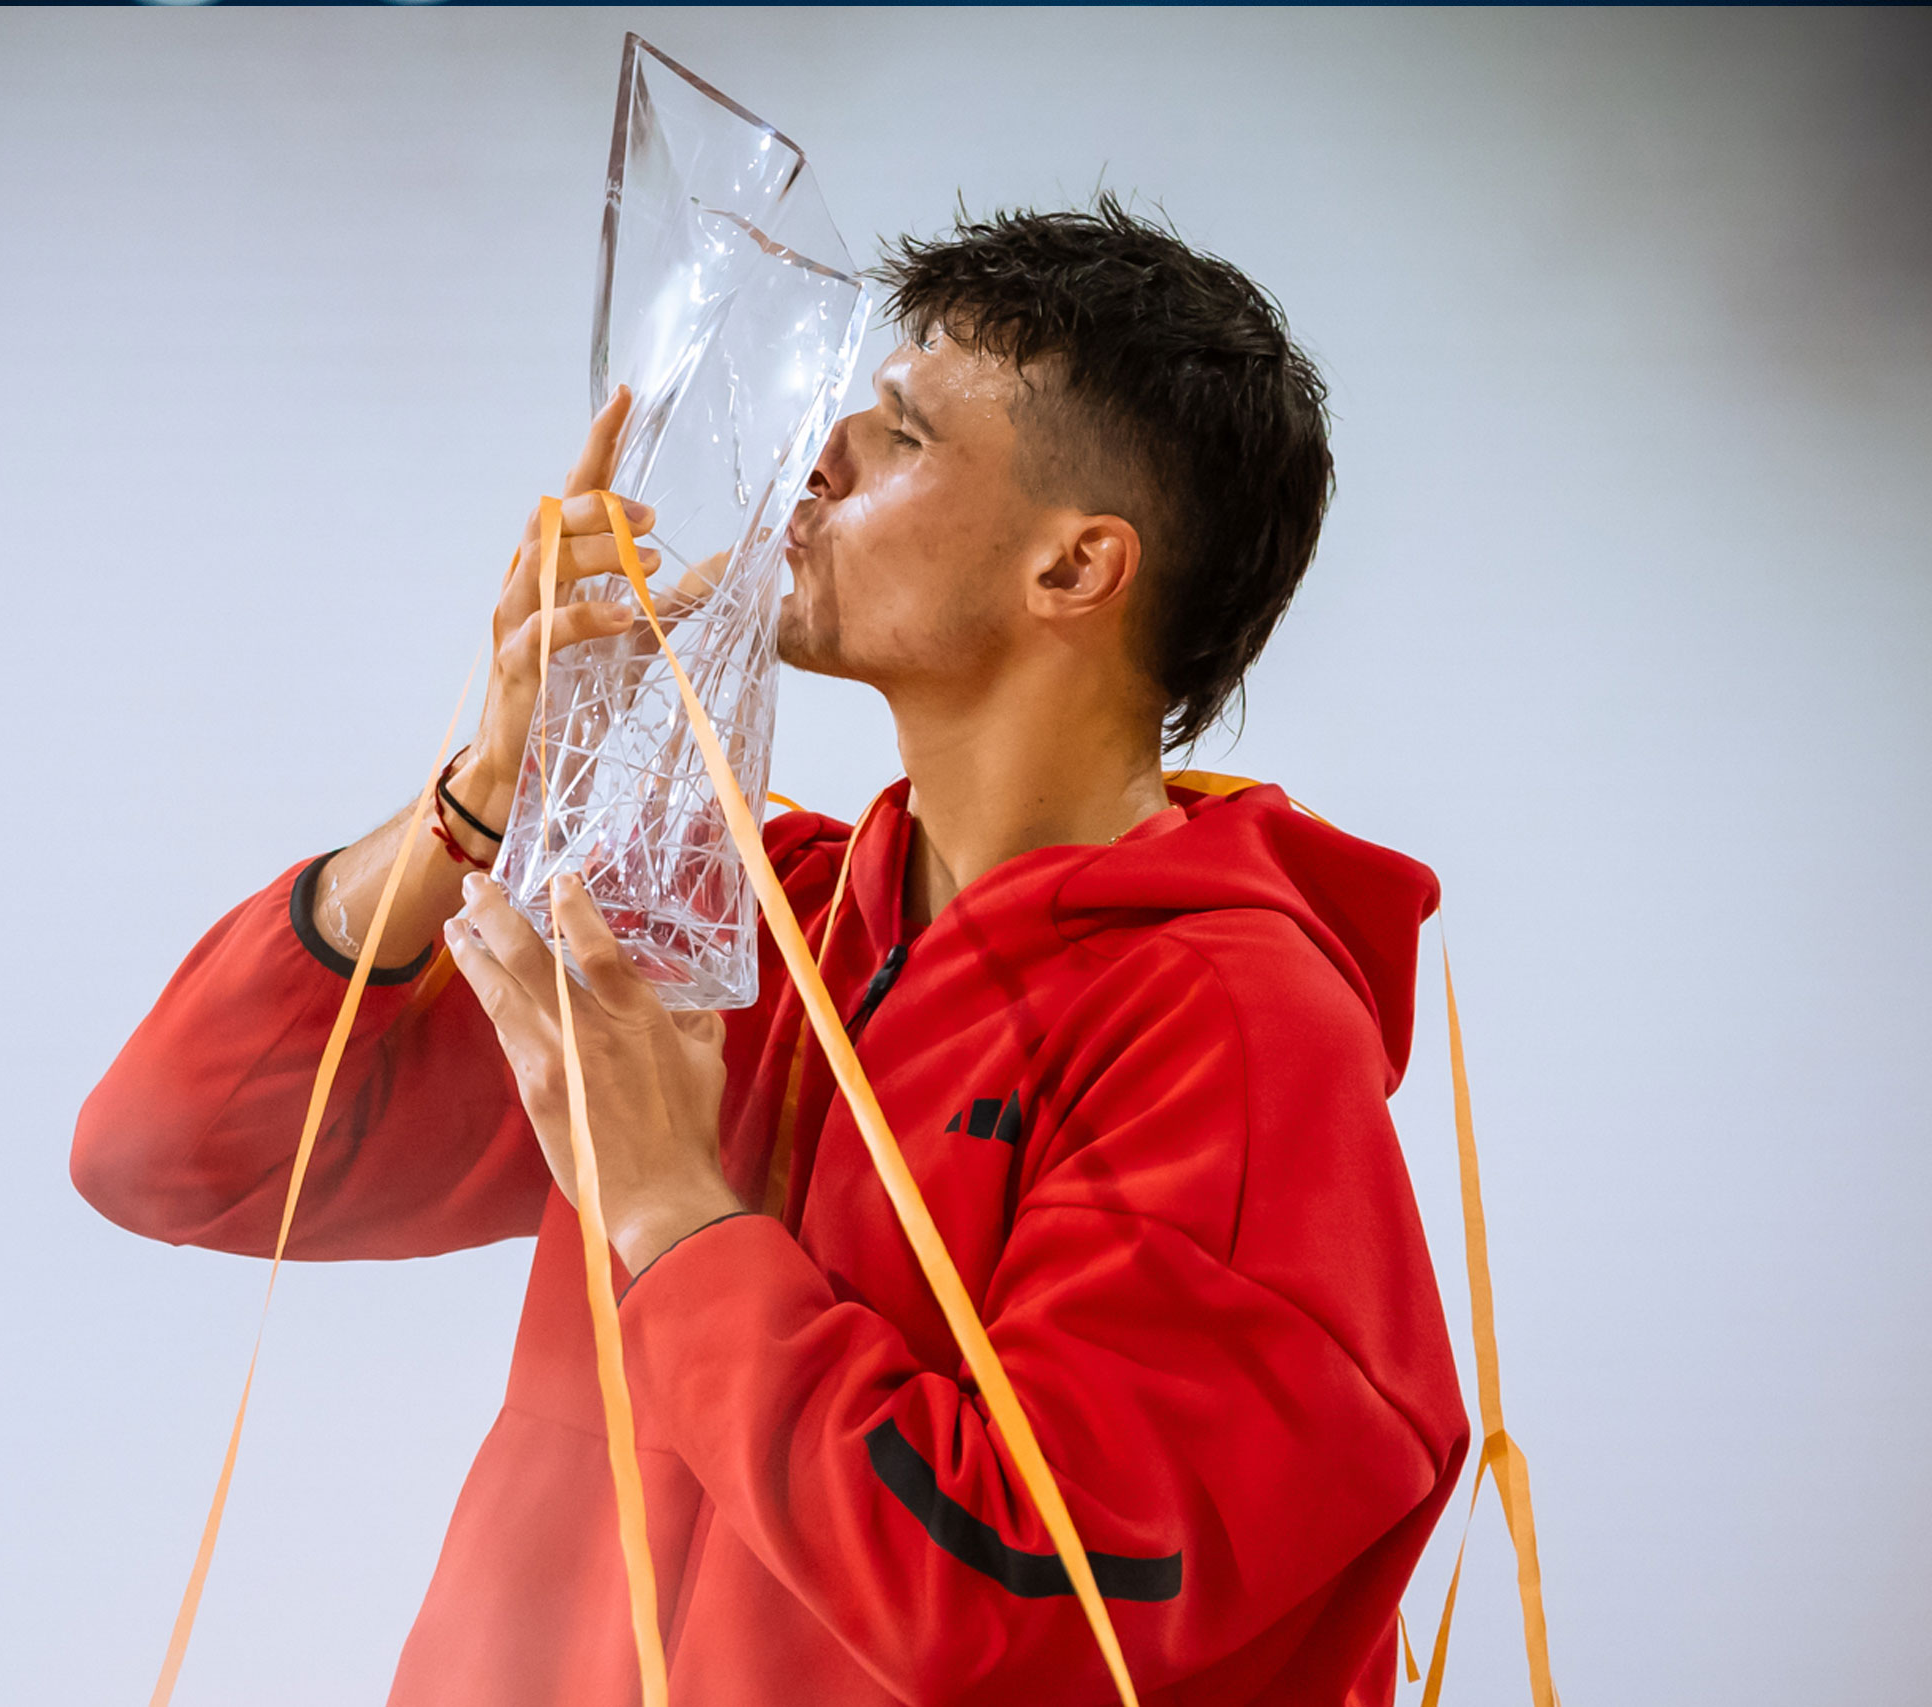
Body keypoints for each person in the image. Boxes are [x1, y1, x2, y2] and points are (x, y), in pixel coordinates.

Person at [72, 199, 1469, 1707]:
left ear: (1076, 570)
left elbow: (1010, 1599)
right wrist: (487, 789)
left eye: (907, 437)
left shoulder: (1238, 1039)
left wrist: (679, 1212)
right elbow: (173, 1153)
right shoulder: (741, 926)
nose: (820, 457)